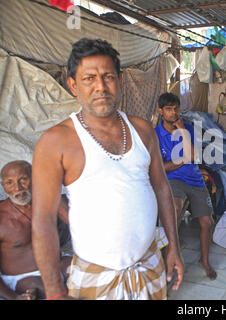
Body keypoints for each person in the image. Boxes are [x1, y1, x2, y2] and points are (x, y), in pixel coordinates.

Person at [31, 38, 184, 300]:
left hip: (148, 265)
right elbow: (43, 220)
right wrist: (55, 292)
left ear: (120, 80)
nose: (100, 87)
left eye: (108, 77)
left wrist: (173, 247)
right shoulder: (55, 141)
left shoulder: (142, 130)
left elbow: (161, 188)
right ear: (73, 85)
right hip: (94, 275)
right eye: (89, 78)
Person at [155, 92, 217, 280]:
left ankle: (204, 261)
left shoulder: (188, 128)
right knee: (174, 209)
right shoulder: (155, 134)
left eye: (176, 108)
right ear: (160, 111)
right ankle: (168, 260)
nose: (173, 113)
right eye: (169, 109)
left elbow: (194, 156)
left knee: (207, 222)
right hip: (173, 180)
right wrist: (182, 160)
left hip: (195, 179)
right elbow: (160, 168)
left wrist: (182, 130)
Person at [0, 160, 71, 300]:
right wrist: (14, 297)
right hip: (23, 277)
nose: (18, 188)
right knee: (50, 290)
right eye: (9, 183)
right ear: (3, 186)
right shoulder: (2, 218)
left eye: (23, 180)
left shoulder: (47, 201)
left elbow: (75, 224)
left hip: (57, 266)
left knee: (92, 270)